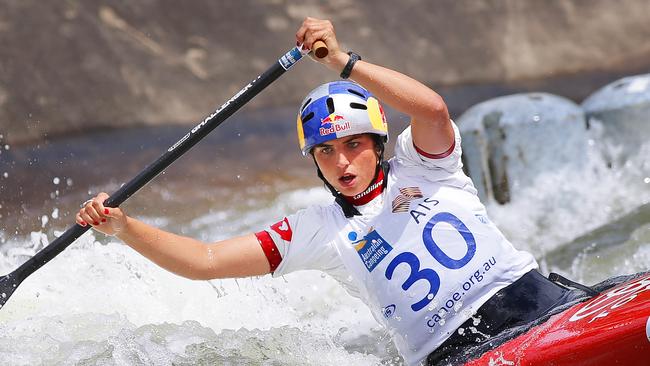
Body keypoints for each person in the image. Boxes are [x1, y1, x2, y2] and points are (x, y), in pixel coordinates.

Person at [76, 17, 582, 365]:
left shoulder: (426, 167)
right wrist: (122, 225)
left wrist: (340, 61)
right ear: (313, 161)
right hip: (455, 355)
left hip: (538, 304)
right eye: (325, 151)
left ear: (378, 142)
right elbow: (205, 260)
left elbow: (432, 111)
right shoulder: (317, 230)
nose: (341, 161)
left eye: (354, 144)